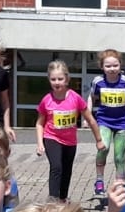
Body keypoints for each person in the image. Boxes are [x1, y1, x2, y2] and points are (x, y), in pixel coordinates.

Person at [35, 60, 102, 202]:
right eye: (53, 79)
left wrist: (99, 140)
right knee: (56, 167)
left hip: (70, 141)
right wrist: (40, 143)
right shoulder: (46, 100)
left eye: (60, 79)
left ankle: (63, 198)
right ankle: (52, 200)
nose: (57, 82)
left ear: (67, 79)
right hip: (51, 137)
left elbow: (90, 119)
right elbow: (40, 123)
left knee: (66, 170)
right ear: (49, 80)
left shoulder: (75, 98)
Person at [89, 49, 125, 197]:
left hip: (122, 123)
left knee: (119, 156)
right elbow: (91, 97)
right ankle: (99, 180)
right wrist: (87, 116)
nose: (112, 69)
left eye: (115, 65)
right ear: (102, 67)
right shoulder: (98, 81)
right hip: (104, 121)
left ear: (120, 65)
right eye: (108, 66)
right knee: (103, 148)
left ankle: (120, 184)